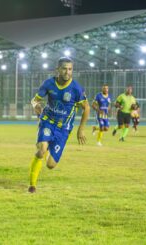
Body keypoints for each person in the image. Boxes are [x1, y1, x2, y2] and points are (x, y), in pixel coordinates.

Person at [28, 57, 90, 193]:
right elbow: (34, 100)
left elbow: (87, 108)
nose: (67, 72)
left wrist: (81, 129)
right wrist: (36, 105)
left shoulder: (76, 89)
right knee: (41, 150)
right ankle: (32, 185)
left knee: (50, 165)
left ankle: (49, 147)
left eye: (70, 69)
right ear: (58, 70)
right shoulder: (49, 84)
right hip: (47, 122)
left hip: (63, 129)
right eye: (64, 69)